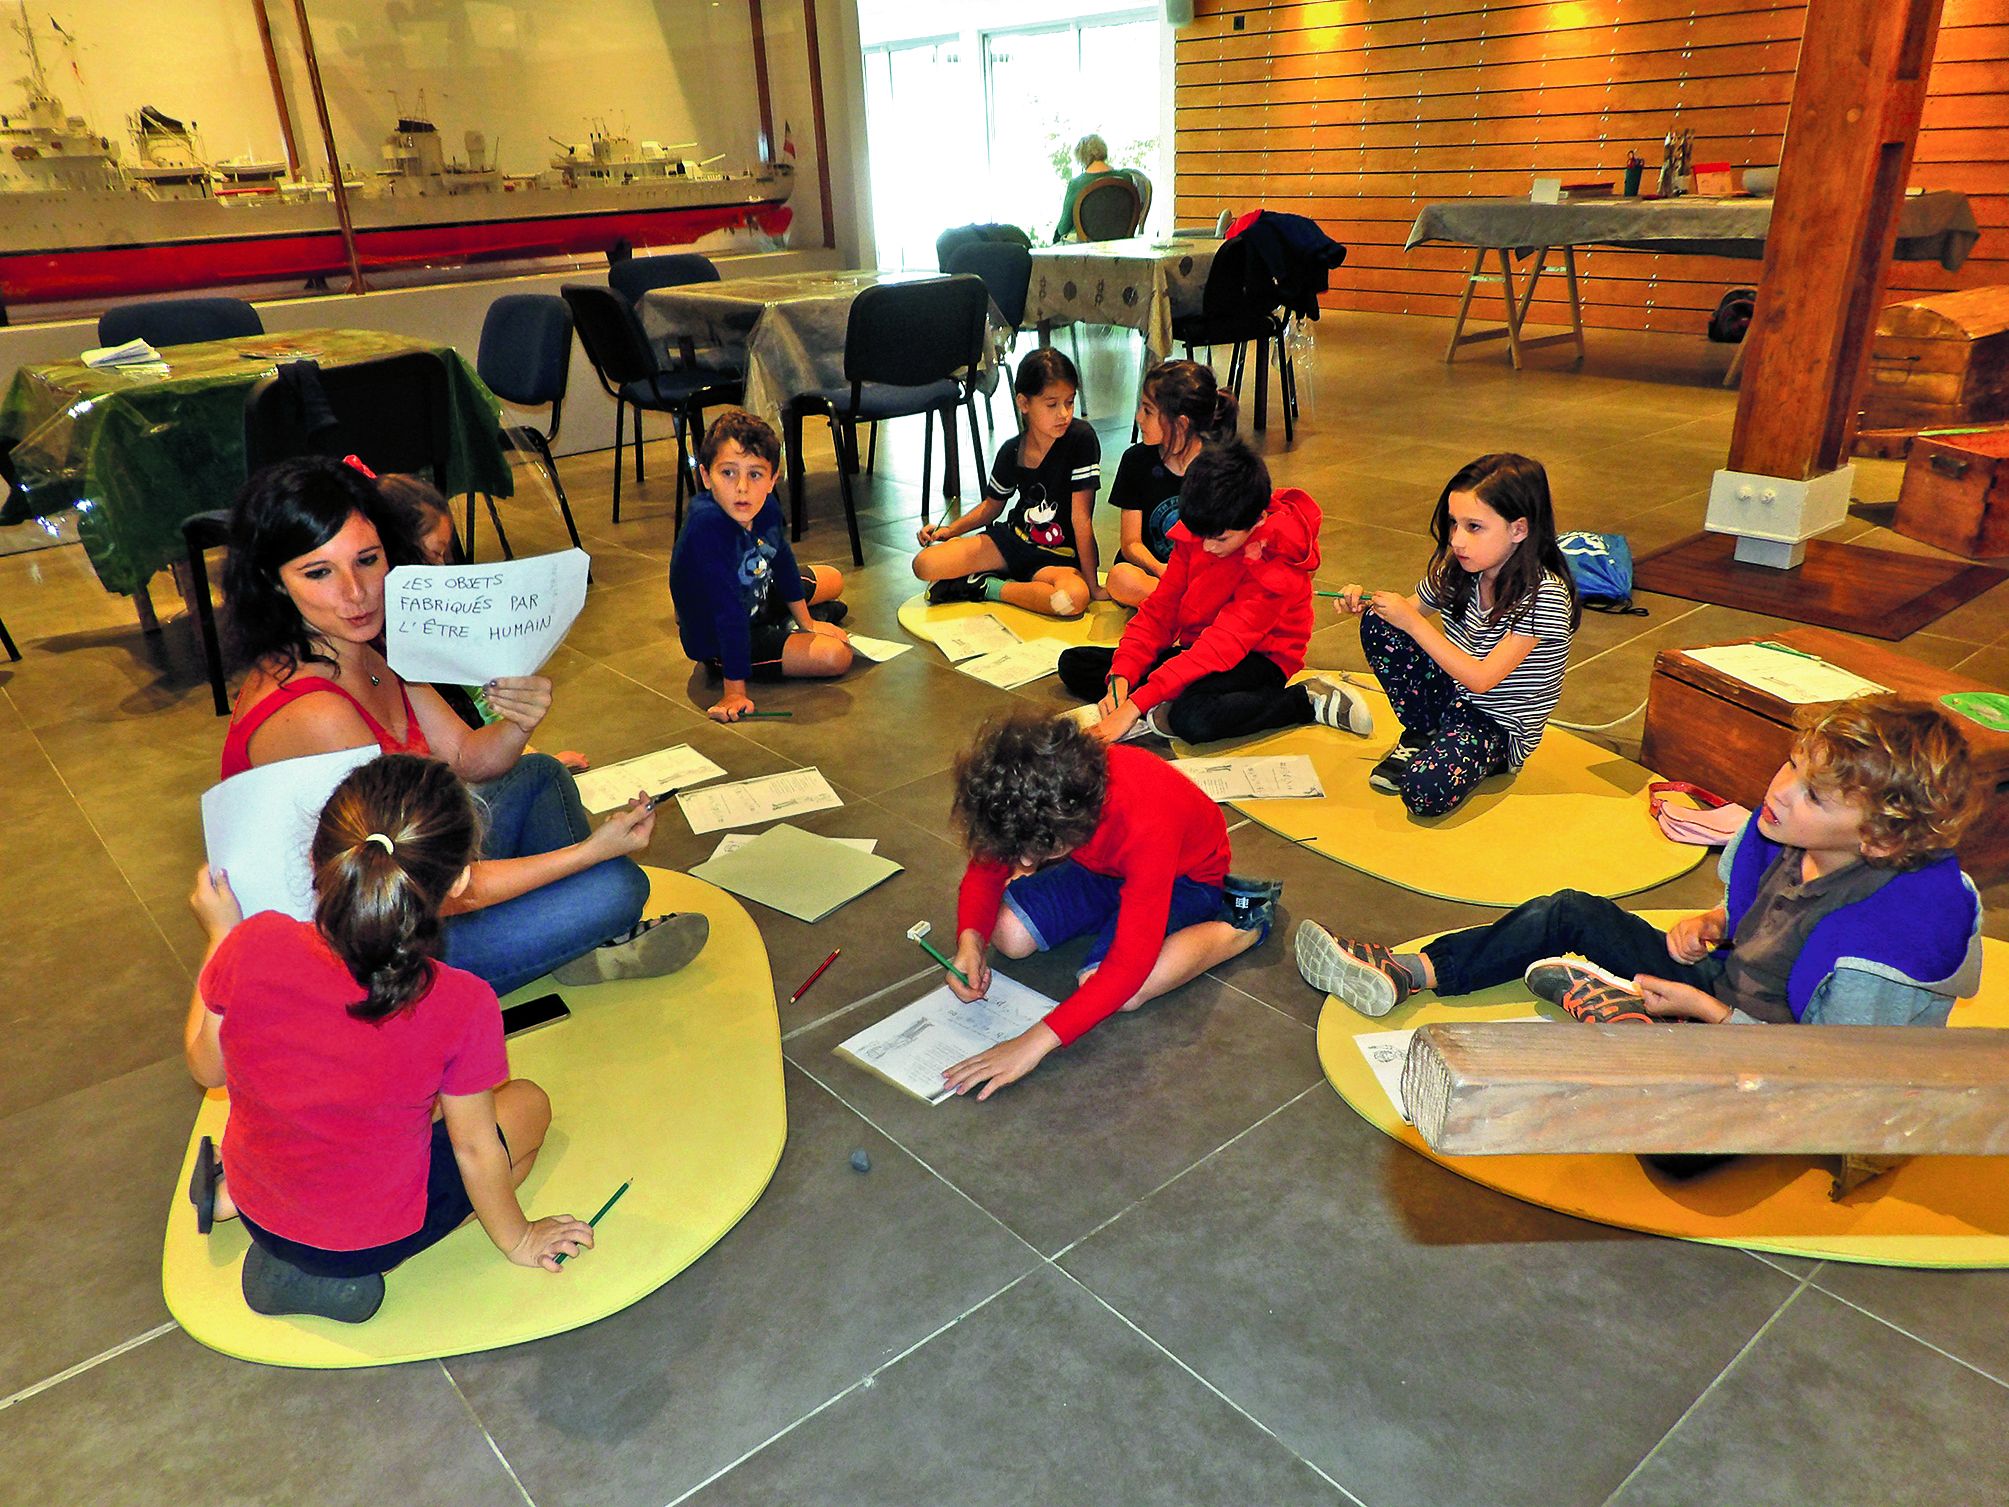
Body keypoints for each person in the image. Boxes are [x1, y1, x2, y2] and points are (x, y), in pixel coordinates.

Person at [220, 455, 706, 996]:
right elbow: (442, 888)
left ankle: (569, 940)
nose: (355, 593)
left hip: (416, 892)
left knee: (540, 773)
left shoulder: (364, 644)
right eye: (319, 572)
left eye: (367, 560)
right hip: (378, 958)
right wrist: (589, 853)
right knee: (615, 885)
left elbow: (470, 758)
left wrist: (518, 721)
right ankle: (577, 935)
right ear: (275, 582)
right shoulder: (314, 711)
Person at [183, 754, 594, 1323]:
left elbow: (208, 1071)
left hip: (263, 1203)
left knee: (343, 1102)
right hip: (366, 1242)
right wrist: (519, 1239)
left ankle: (231, 1198)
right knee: (528, 1107)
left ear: (315, 857)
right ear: (458, 882)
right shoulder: (463, 1002)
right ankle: (333, 1274)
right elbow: (476, 1150)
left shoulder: (253, 943)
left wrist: (220, 941)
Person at [1296, 696, 1983, 1029]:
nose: (1778, 791)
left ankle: (1641, 1023)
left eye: (1812, 795)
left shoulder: (1879, 937)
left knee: (1679, 1153)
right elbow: (1756, 922)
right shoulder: (1778, 836)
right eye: (1790, 767)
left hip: (1761, 1044)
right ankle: (1413, 971)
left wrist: (1703, 1011)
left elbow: (1827, 1068)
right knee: (1566, 909)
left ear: (1880, 839)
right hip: (1717, 983)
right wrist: (1714, 924)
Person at [936, 715, 1283, 1099]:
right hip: (1103, 868)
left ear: (1071, 824)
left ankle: (1240, 924)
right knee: (1007, 935)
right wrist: (970, 942)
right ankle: (1116, 914)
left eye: (1038, 853)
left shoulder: (1146, 820)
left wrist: (1032, 1043)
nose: (1027, 865)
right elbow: (986, 868)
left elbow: (1129, 967)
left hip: (1186, 879)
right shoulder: (1039, 790)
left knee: (1119, 988)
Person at [1060, 437, 1372, 746]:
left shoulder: (1274, 562)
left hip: (1259, 658)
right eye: (1201, 535)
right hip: (1200, 646)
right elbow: (1160, 611)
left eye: (1220, 539)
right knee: (1078, 665)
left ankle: (1304, 700)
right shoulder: (1205, 527)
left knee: (1192, 718)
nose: (1207, 546)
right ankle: (1166, 699)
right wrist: (1121, 678)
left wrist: (1133, 706)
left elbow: (1221, 646)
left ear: (1258, 520)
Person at [1332, 452, 1579, 817]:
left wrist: (1411, 622)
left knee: (1422, 792)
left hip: (1495, 725)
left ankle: (1460, 750)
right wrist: (1367, 603)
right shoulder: (1461, 569)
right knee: (1380, 623)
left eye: (1474, 527)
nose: (1457, 541)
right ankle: (1424, 732)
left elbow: (1482, 679)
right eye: (1453, 524)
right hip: (1452, 698)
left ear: (1519, 529)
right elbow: (1406, 611)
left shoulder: (1544, 596)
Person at [376, 472, 587, 770]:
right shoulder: (387, 651)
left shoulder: (419, 634)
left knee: (543, 773)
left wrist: (522, 736)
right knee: (545, 775)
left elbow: (470, 735)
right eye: (434, 555)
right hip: (444, 786)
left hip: (474, 756)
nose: (442, 569)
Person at [669, 410, 851, 722]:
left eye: (755, 474)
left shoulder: (764, 505)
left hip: (757, 588)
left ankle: (793, 621)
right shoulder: (707, 527)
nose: (742, 487)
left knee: (833, 579)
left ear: (772, 479)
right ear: (705, 476)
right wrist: (735, 692)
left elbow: (782, 559)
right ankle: (782, 627)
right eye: (728, 473)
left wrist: (807, 622)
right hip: (722, 635)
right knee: (835, 657)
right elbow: (729, 614)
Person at [912, 349, 1103, 620]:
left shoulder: (1080, 438)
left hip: (1058, 556)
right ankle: (1000, 578)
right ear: (1024, 403)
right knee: (925, 564)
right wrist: (950, 530)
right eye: (1052, 404)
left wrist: (1092, 584)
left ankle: (987, 585)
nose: (1064, 413)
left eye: (1069, 402)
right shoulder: (1011, 450)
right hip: (1013, 541)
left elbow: (1081, 518)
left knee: (1069, 600)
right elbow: (992, 506)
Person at [1105, 360, 1232, 609]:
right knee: (1120, 579)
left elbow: (1229, 543)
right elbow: (1131, 543)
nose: (1138, 418)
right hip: (1151, 574)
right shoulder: (1135, 461)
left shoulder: (1222, 467)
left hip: (1198, 575)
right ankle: (1190, 609)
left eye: (1148, 411)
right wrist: (1161, 569)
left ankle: (1178, 608)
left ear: (1181, 423)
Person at [1054, 133, 1130, 242]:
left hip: (1086, 249)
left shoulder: (1076, 184)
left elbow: (1063, 228)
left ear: (1081, 157)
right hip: (1120, 246)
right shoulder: (1125, 179)